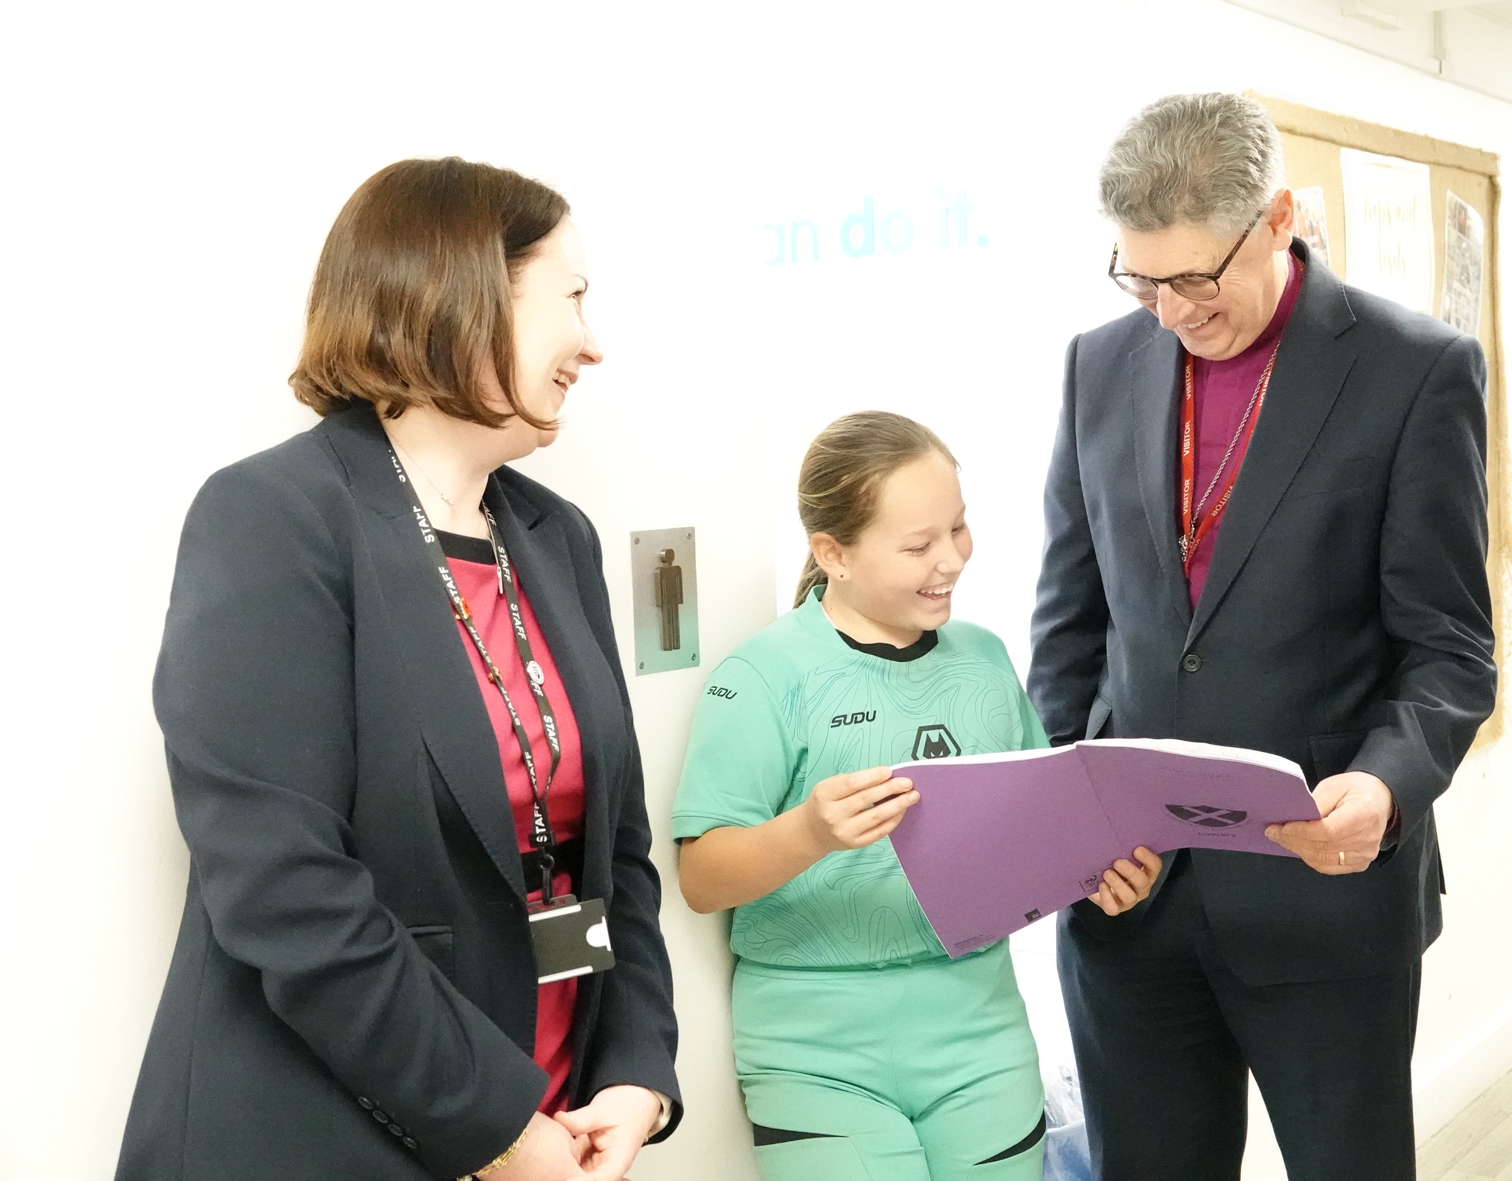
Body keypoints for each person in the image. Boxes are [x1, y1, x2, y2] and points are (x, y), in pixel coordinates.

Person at [118, 158, 681, 1181]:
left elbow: (618, 857)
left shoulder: (558, 539)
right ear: (467, 295)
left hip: (552, 1124)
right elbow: (284, 889)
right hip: (327, 1134)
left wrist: (636, 1068)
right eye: (573, 298)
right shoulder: (274, 518)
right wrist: (499, 1127)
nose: (593, 345)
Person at [1029, 93, 1496, 1180]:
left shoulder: (1411, 370)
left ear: (1277, 217)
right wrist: (1066, 816)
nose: (1168, 312)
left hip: (1322, 900)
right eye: (1139, 279)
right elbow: (1068, 624)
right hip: (1129, 904)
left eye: (1194, 278)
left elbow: (1448, 648)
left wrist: (1382, 788)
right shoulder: (1098, 364)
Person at [671, 412, 1162, 1181]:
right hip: (816, 1050)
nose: (950, 561)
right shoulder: (764, 676)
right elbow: (701, 878)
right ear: (833, 552)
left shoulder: (985, 659)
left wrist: (1102, 875)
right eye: (918, 545)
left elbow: (1042, 828)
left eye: (959, 529)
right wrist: (809, 831)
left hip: (981, 1032)